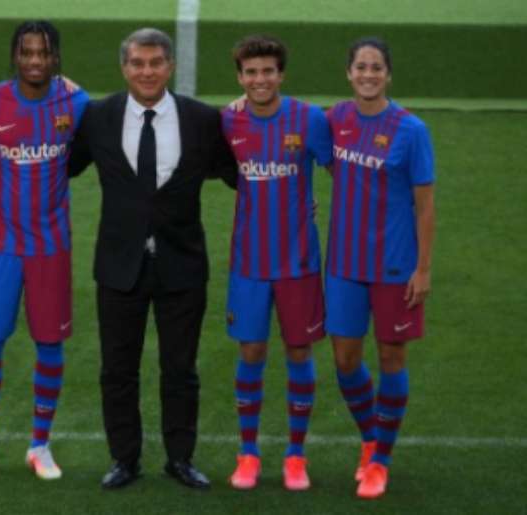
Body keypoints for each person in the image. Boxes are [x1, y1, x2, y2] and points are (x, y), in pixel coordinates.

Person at [69, 27, 237, 490]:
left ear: (171, 66)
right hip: (118, 267)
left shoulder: (203, 119)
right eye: (138, 63)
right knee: (117, 370)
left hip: (182, 266)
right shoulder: (97, 117)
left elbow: (241, 174)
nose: (147, 71)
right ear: (124, 67)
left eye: (156, 63)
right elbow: (60, 165)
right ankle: (124, 459)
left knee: (180, 369)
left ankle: (180, 459)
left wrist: (294, 196)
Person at [0, 20, 89, 483]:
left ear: (56, 58)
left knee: (49, 344)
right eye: (27, 52)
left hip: (51, 247)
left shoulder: (76, 102)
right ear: (15, 56)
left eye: (44, 53)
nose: (35, 60)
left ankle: (40, 445)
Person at [221, 35, 332, 491]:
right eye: (251, 72)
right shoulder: (228, 120)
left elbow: (339, 172)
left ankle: (295, 455)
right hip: (248, 262)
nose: (259, 79)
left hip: (299, 262)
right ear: (240, 77)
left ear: (281, 74)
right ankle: (248, 453)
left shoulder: (309, 119)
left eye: (268, 71)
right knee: (251, 351)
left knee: (299, 351)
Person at [325, 37, 435, 499]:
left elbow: (424, 206)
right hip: (344, 264)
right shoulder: (332, 121)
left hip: (394, 266)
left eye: (376, 67)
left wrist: (423, 268)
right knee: (345, 359)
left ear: (388, 74)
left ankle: (381, 461)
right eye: (360, 67)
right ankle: (371, 438)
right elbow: (284, 123)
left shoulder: (411, 130)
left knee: (391, 357)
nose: (368, 74)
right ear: (349, 73)